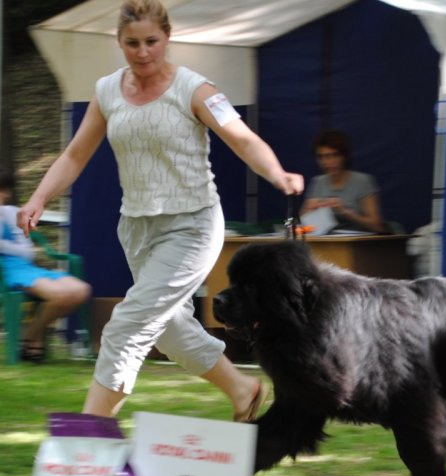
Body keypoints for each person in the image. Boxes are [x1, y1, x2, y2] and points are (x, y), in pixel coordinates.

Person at [17, 0, 303, 420]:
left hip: (193, 225)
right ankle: (242, 389)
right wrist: (39, 197)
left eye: (151, 41)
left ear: (167, 38)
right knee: (168, 328)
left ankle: (88, 433)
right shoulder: (107, 92)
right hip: (136, 228)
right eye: (132, 43)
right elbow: (75, 155)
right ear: (119, 42)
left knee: (127, 325)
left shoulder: (196, 89)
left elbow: (241, 138)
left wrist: (276, 173)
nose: (143, 51)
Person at [0, 168, 91, 362]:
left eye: (2, 190)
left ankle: (30, 335)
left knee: (80, 290)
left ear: (6, 192)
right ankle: (32, 339)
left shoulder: (11, 213)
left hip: (26, 267)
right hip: (5, 271)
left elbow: (27, 251)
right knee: (61, 295)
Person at [300, 130, 386, 233]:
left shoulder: (362, 181)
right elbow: (304, 225)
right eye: (321, 157)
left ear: (344, 156)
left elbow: (377, 226)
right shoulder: (317, 182)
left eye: (333, 155)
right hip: (324, 241)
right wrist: (307, 210)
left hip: (357, 244)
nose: (326, 162)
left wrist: (345, 212)